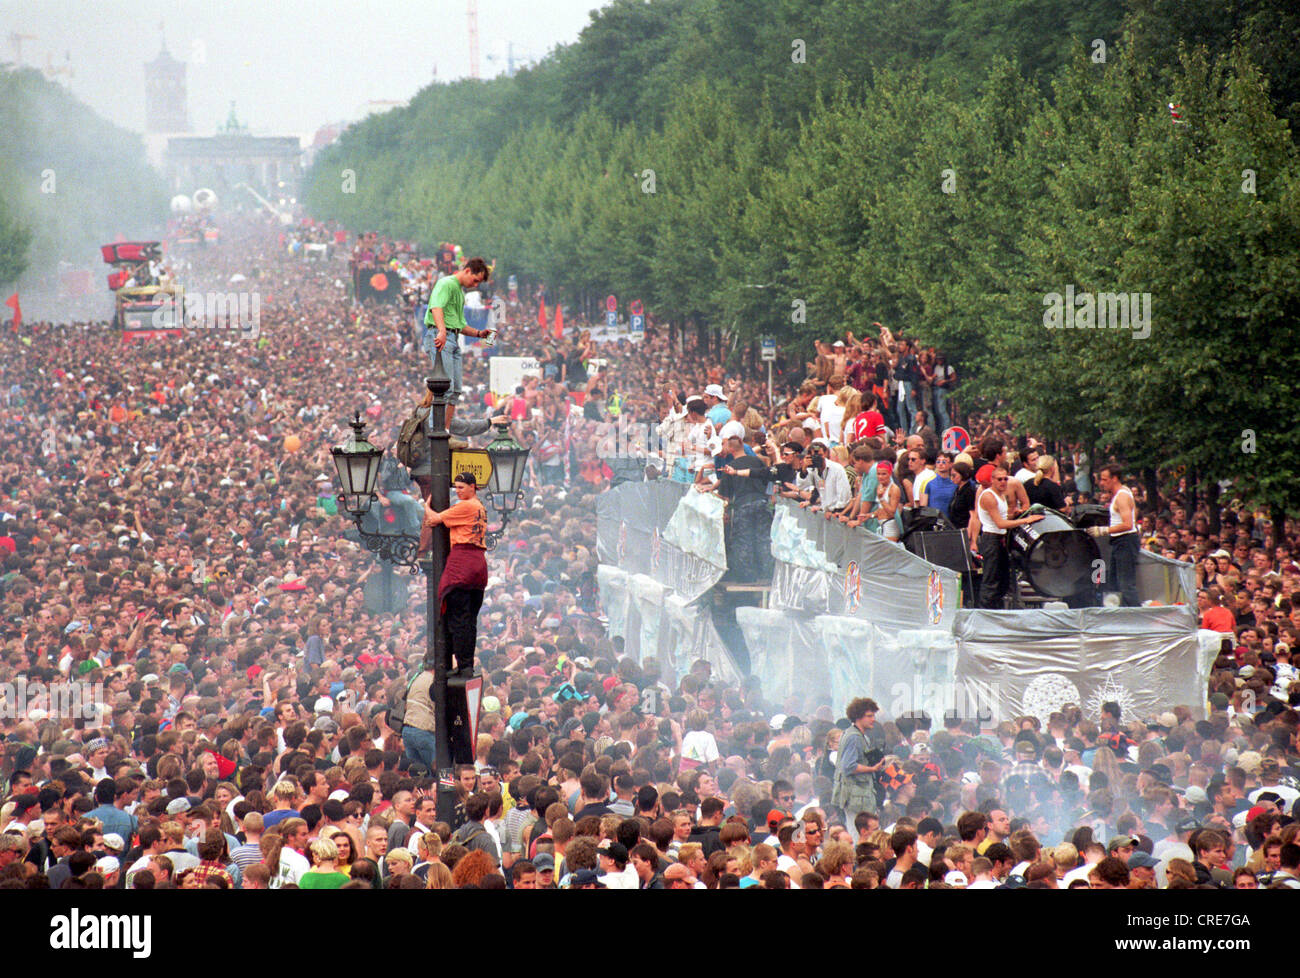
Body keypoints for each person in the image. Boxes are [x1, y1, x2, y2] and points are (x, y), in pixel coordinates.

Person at [420, 472, 489, 677]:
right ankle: (466, 664)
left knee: (457, 618)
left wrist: (426, 504)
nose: (458, 491)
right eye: (456, 487)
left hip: (462, 564)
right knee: (469, 620)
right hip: (478, 565)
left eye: (461, 487)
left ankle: (464, 664)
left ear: (472, 487)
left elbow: (433, 519)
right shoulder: (480, 508)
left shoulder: (466, 506)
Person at [423, 258, 492, 423]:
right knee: (445, 388)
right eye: (475, 280)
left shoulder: (460, 293)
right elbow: (436, 307)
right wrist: (441, 331)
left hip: (453, 338)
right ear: (467, 271)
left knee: (455, 391)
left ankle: (445, 431)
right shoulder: (446, 283)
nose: (475, 285)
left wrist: (478, 333)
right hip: (441, 337)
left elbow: (459, 325)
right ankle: (434, 430)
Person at [976, 467, 1044, 608]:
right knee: (991, 579)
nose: (1003, 482)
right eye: (999, 479)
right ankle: (985, 611)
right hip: (991, 539)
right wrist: (1025, 520)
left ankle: (997, 609)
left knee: (1003, 580)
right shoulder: (989, 496)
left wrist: (1017, 514)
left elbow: (1004, 517)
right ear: (992, 480)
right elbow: (1000, 523)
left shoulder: (1001, 495)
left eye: (1005, 478)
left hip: (1000, 539)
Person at [1091, 463, 1140, 606]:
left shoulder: (1122, 497)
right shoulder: (1121, 494)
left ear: (1115, 478)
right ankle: (1116, 614)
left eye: (1105, 480)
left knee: (1126, 584)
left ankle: (1138, 616)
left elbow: (1128, 524)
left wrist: (1103, 530)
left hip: (1125, 541)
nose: (1102, 483)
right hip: (1118, 542)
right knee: (1113, 582)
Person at [832, 698, 886, 826]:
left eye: (873, 716)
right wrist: (872, 769)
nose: (873, 719)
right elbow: (848, 766)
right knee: (857, 832)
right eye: (869, 716)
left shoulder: (859, 736)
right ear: (858, 716)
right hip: (855, 796)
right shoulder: (854, 737)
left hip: (859, 794)